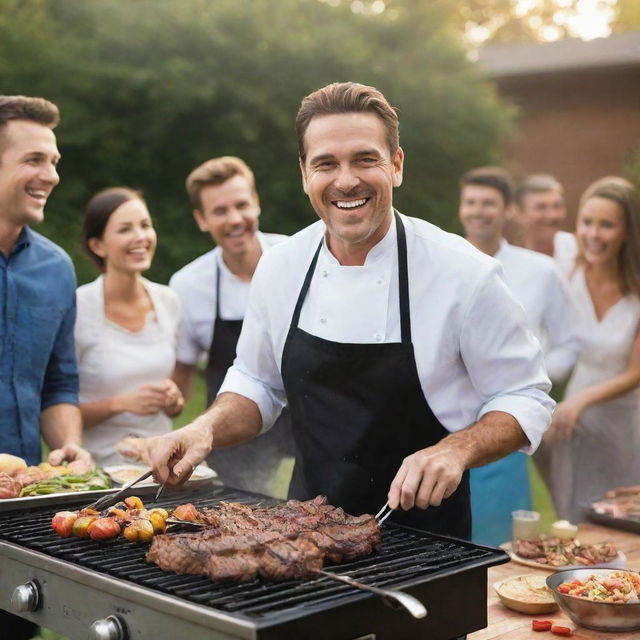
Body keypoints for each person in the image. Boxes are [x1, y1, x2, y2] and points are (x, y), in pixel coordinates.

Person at [146, 82, 554, 540]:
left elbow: (525, 396)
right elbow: (258, 383)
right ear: (304, 174)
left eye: (365, 159)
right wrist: (205, 430)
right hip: (304, 537)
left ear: (396, 165)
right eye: (326, 163)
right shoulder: (281, 267)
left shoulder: (464, 273)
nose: (345, 180)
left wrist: (457, 449)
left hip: (430, 544)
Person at [0, 95, 90, 640]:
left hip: (19, 519)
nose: (51, 175)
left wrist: (69, 444)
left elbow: (59, 381)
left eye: (54, 161)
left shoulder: (56, 268)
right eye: (35, 159)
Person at [458, 166, 578, 545]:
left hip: (503, 421)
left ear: (509, 210)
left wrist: (533, 383)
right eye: (471, 202)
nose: (479, 211)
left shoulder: (540, 271)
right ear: (461, 208)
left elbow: (569, 342)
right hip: (439, 419)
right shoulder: (442, 264)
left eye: (488, 203)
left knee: (500, 544)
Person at [169, 156, 293, 494]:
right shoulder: (188, 285)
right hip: (234, 438)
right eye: (220, 211)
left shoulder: (298, 258)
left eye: (241, 205)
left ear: (257, 203)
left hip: (306, 427)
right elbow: (182, 373)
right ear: (201, 219)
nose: (235, 219)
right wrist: (165, 407)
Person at [546, 177, 640, 523]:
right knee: (572, 517)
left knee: (623, 519)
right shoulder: (567, 269)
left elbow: (636, 373)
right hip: (573, 423)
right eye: (587, 222)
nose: (593, 234)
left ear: (628, 231)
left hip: (624, 425)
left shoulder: (637, 292)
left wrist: (578, 402)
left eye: (607, 225)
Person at [75, 187, 184, 467]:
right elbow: (53, 410)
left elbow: (174, 403)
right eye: (125, 229)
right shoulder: (77, 307)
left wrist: (173, 401)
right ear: (98, 245)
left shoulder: (168, 301)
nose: (140, 237)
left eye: (145, 225)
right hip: (98, 473)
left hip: (160, 469)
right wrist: (120, 404)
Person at [514, 174, 577, 275]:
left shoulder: (579, 251)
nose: (552, 216)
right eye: (541, 207)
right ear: (518, 213)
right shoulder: (513, 264)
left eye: (557, 206)